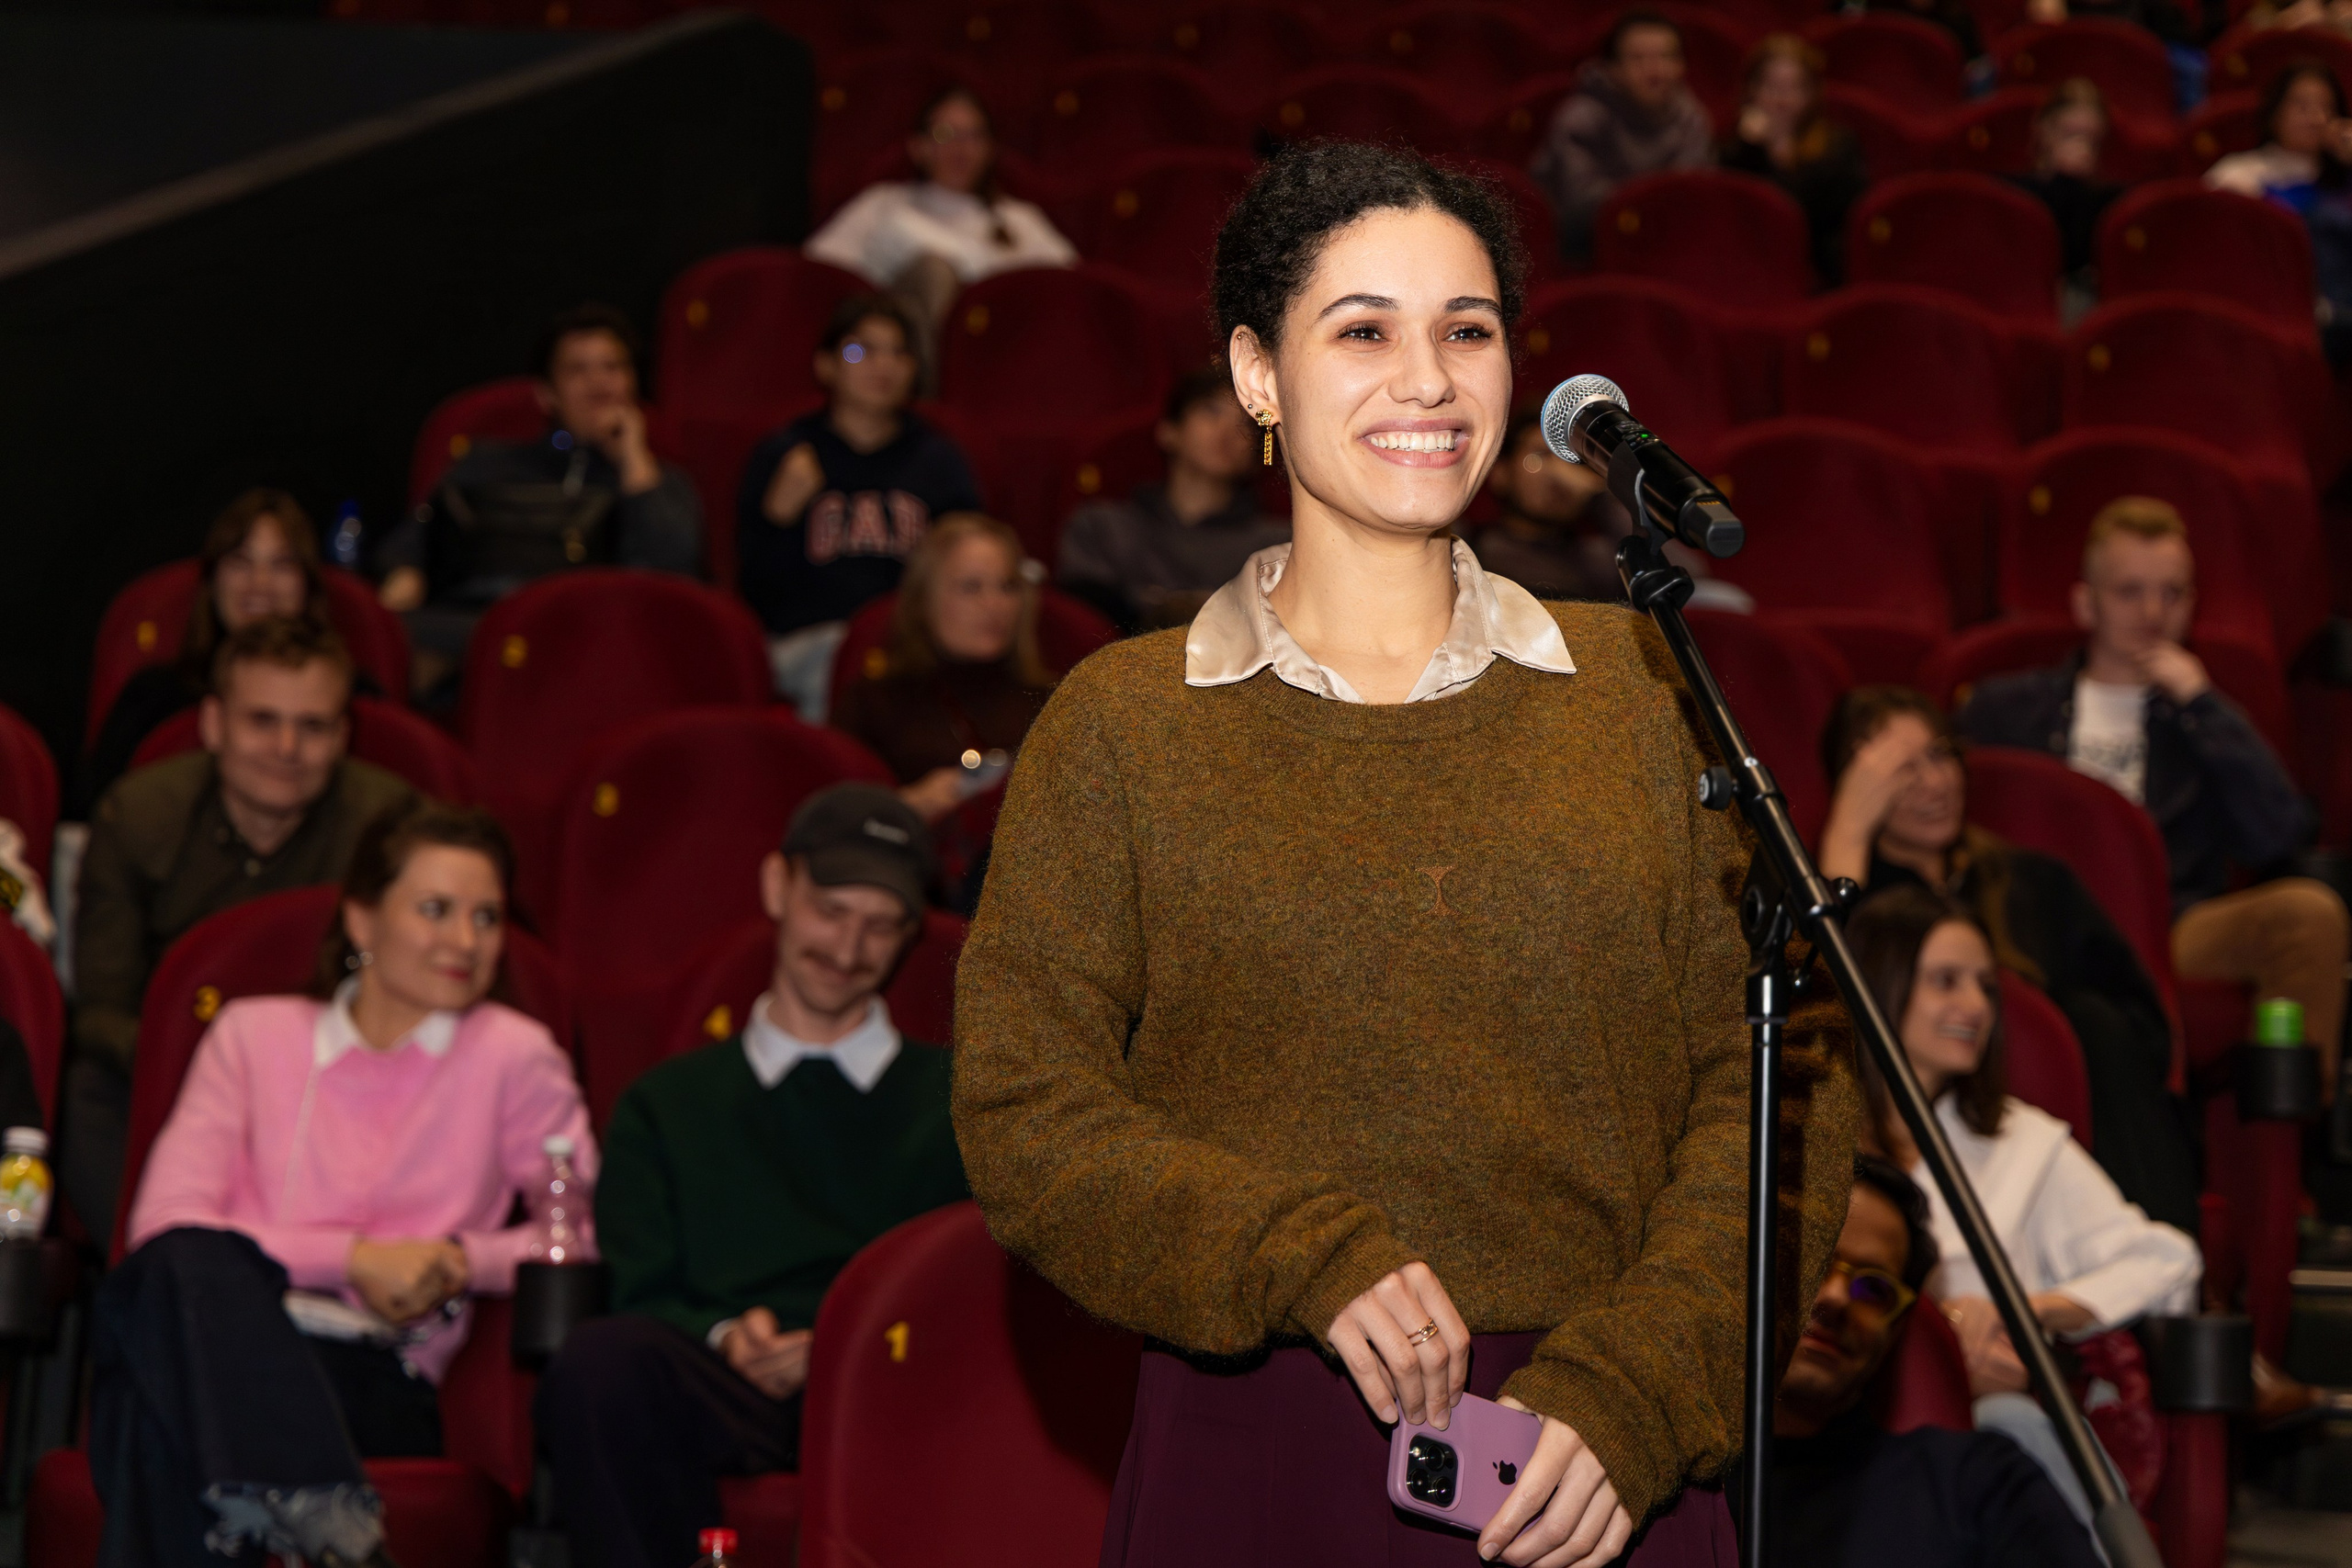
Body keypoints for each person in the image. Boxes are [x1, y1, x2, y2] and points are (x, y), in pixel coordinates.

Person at [952, 141, 1859, 1568]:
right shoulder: (1123, 721)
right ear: (1256, 372)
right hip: (1262, 1456)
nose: (1428, 378)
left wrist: (1639, 1386)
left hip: (1601, 1464)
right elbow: (1026, 1107)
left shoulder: (1646, 684)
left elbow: (1783, 1080)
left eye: (1469, 329)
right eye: (1364, 328)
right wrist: (1294, 1248)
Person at [94, 801, 592, 1568]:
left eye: (486, 916)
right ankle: (328, 1525)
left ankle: (319, 1521)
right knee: (179, 1276)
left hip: (366, 1370)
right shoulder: (253, 1034)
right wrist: (355, 1258)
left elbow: (572, 1235)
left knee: (150, 1410)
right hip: (219, 1326)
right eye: (436, 909)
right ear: (361, 919)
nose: (466, 941)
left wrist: (458, 1259)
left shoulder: (514, 1055)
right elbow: (162, 1229)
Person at [537, 784, 966, 1568]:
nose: (847, 947)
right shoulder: (668, 1103)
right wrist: (729, 1335)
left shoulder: (956, 1103)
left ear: (910, 936)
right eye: (830, 910)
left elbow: (964, 1287)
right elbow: (642, 1281)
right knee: (601, 1362)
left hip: (889, 1377)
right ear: (778, 887)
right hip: (724, 1376)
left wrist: (839, 1342)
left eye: (880, 925)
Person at [1955, 499, 2346, 1098]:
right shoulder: (2005, 709)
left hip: (2171, 926)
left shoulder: (2205, 717)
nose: (2154, 612)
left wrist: (2202, 706)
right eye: (2130, 591)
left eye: (2173, 593)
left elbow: (2278, 835)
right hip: (2038, 921)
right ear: (2086, 602)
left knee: (2309, 914)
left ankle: (2281, 1140)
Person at [1845, 886, 2199, 1523]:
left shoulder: (2021, 1141)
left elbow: (2168, 1259)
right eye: (1946, 980)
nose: (1975, 1005)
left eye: (1985, 984)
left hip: (1989, 1429)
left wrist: (2024, 1313)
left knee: (2012, 1421)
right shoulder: (1811, 1134)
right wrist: (1943, 1339)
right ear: (1880, 985)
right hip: (1842, 1418)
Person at [64, 619, 415, 1239]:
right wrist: (211, 1064)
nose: (286, 747)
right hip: (173, 1073)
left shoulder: (391, 832)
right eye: (262, 720)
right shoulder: (138, 817)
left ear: (342, 736)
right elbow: (99, 1010)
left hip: (347, 1086)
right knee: (86, 1094)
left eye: (312, 727)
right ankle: (152, 1262)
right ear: (213, 724)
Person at [1817, 685, 2197, 1235]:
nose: (1935, 782)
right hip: (1908, 1130)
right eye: (1900, 770)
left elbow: (2144, 1029)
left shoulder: (2034, 881)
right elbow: (1815, 1027)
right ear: (1856, 789)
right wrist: (1846, 839)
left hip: (2066, 1134)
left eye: (1941, 756)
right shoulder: (1846, 902)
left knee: (2097, 1019)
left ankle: (2153, 1257)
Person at [1769, 1154, 2102, 1568]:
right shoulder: (1679, 1480)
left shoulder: (1978, 1483)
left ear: (1897, 1327)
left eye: (1874, 1289)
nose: (1835, 1298)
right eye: (1811, 1263)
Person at [376, 304, 702, 691]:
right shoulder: (486, 462)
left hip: (593, 642)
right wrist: (406, 573)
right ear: (547, 394)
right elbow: (410, 540)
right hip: (476, 627)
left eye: (612, 368)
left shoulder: (657, 482)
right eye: (578, 370)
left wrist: (633, 460)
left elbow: (677, 579)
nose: (599, 384)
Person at [735, 294, 984, 719]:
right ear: (825, 365)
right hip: (810, 645)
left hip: (908, 647)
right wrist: (776, 520)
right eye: (860, 350)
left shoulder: (939, 461)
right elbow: (756, 594)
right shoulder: (786, 454)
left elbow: (968, 577)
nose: (882, 365)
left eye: (899, 352)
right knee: (837, 670)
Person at [77, 489, 331, 816]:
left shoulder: (350, 700)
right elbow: (94, 819)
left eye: (282, 564)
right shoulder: (150, 701)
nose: (261, 583)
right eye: (241, 562)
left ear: (308, 584)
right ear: (213, 581)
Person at [805, 86, 1076, 336]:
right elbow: (819, 271)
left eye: (974, 136)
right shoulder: (883, 204)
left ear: (990, 150)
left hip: (1001, 346)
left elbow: (1066, 286)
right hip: (900, 353)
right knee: (934, 273)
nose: (961, 149)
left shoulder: (1019, 218)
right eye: (945, 134)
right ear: (918, 147)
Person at [1056, 363, 1291, 635]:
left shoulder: (1276, 546)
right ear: (1169, 431)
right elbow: (1081, 624)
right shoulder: (1104, 528)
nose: (1228, 431)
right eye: (1211, 411)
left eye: (1246, 422)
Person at [1532, 11, 1714, 265]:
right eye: (1639, 59)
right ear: (1613, 68)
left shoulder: (1691, 117)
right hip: (1585, 253)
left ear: (1681, 65)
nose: (1655, 71)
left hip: (1668, 250)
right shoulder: (1580, 117)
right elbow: (1579, 202)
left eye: (1666, 57)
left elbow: (1694, 198)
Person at [2205, 62, 2352, 359]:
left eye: (2327, 108)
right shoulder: (2239, 174)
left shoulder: (2344, 180)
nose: (2316, 118)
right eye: (2301, 105)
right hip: (2269, 309)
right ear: (2275, 111)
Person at [1718, 36, 1868, 286]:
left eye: (1793, 88)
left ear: (1812, 94)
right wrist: (1752, 152)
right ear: (1751, 90)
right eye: (1771, 87)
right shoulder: (1733, 151)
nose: (1781, 99)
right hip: (1746, 273)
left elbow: (1812, 221)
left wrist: (1770, 153)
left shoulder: (1838, 149)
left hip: (1817, 277)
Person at [2007, 80, 2121, 297]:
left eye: (2090, 139)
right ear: (2044, 130)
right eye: (2070, 134)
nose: (2080, 147)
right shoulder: (2013, 193)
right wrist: (2062, 181)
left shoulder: (2107, 203)